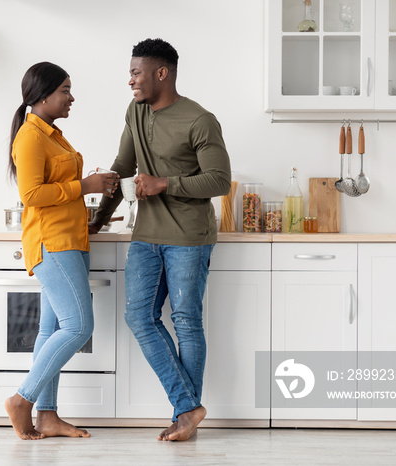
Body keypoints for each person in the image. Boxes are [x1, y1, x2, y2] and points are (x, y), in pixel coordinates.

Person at [88, 39, 231, 441]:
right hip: (146, 235)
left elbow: (219, 180)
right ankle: (189, 409)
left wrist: (164, 183)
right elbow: (122, 167)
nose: (129, 79)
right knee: (139, 317)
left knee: (186, 322)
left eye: (136, 72)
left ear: (161, 73)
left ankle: (183, 417)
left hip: (189, 236)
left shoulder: (200, 119)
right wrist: (98, 219)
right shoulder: (135, 112)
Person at [5, 62, 119, 440]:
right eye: (65, 90)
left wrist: (87, 193)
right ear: (42, 95)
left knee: (51, 328)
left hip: (71, 238)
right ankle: (22, 400)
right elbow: (31, 195)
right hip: (51, 243)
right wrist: (85, 184)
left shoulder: (53, 134)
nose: (71, 97)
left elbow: (58, 185)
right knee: (78, 326)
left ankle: (48, 415)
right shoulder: (30, 137)